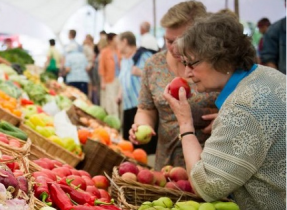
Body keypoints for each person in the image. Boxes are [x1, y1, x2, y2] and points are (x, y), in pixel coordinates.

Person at [164, 13, 286, 209]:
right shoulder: (268, 75)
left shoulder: (240, 108)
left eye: (192, 63)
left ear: (220, 58)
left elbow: (207, 187)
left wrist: (185, 125)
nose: (187, 73)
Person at [129, 1, 218, 171]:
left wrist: (226, 119)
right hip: (166, 163)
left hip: (209, 163)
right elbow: (145, 109)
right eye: (169, 41)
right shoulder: (154, 64)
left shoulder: (215, 64)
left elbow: (242, 100)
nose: (175, 48)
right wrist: (142, 125)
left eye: (182, 41)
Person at [117, 31, 153, 141]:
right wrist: (119, 94)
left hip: (141, 106)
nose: (117, 46)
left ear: (124, 42)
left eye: (118, 43)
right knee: (130, 139)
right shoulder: (124, 60)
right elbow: (124, 79)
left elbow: (156, 76)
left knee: (142, 139)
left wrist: (140, 72)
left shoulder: (144, 55)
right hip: (127, 105)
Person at [99, 33, 121, 119]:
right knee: (111, 102)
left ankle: (120, 121)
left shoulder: (119, 51)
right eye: (116, 38)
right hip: (109, 80)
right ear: (110, 40)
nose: (117, 40)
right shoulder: (104, 52)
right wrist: (103, 82)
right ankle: (113, 121)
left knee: (119, 101)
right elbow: (101, 68)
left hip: (119, 80)